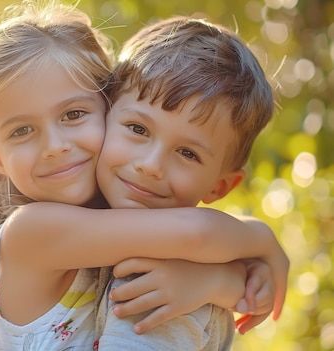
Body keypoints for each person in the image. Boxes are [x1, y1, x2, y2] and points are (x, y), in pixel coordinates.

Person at [0, 1, 288, 350]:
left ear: (107, 106)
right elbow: (197, 234)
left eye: (73, 115)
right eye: (21, 131)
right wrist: (261, 241)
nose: (55, 146)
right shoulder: (29, 230)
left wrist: (220, 281)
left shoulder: (135, 232)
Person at [92, 15, 282, 350]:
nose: (151, 166)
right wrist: (250, 255)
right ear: (102, 112)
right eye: (137, 129)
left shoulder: (168, 297)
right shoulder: (48, 214)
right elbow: (198, 233)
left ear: (220, 187)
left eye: (187, 153)